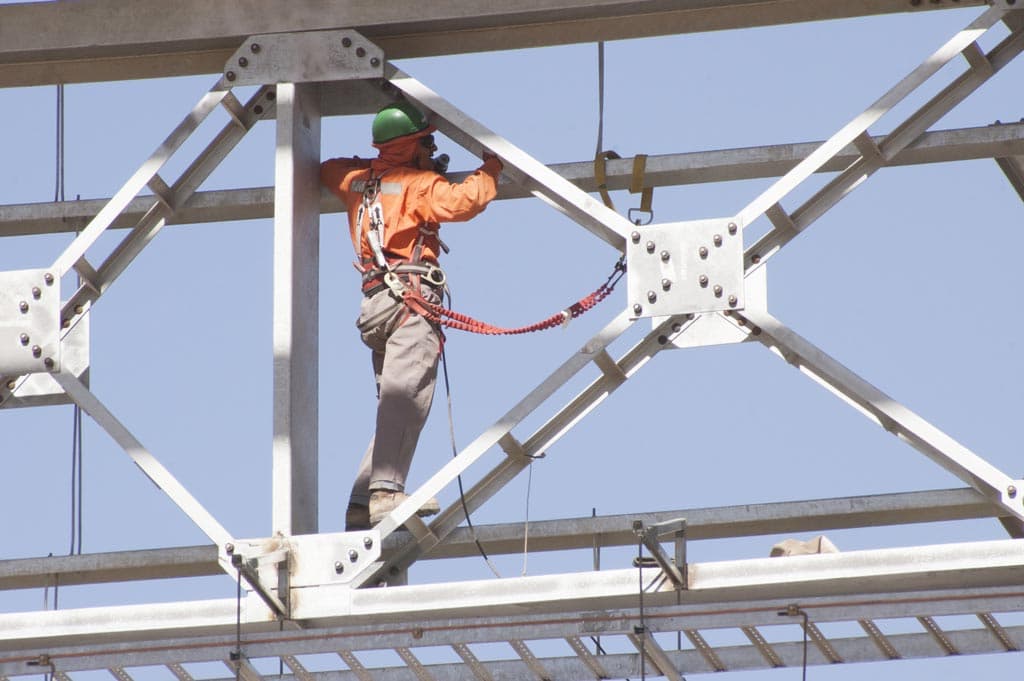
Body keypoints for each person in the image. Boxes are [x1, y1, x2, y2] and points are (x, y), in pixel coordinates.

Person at [321, 100, 503, 530]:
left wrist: (377, 163)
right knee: (407, 399)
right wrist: (493, 166)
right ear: (412, 145)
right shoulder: (419, 186)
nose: (431, 151)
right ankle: (385, 495)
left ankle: (361, 502)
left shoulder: (356, 182)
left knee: (393, 405)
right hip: (410, 301)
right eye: (426, 144)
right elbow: (466, 201)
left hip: (375, 307)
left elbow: (328, 169)